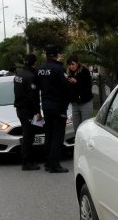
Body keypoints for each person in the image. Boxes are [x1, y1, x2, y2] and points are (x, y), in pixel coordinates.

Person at [36, 44, 70, 173]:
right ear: (57, 55)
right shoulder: (58, 68)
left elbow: (39, 86)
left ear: (46, 55)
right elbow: (66, 87)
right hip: (58, 106)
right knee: (58, 135)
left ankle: (48, 163)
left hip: (46, 105)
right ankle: (55, 164)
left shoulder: (40, 69)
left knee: (49, 134)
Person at [13, 54, 43, 171]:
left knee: (29, 135)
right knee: (28, 136)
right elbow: (33, 96)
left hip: (20, 109)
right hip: (27, 110)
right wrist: (37, 112)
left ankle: (29, 160)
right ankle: (26, 163)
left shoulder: (19, 75)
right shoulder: (30, 76)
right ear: (34, 63)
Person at [66, 55, 93, 131]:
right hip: (75, 103)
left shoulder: (84, 71)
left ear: (77, 63)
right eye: (69, 65)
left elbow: (87, 87)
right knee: (76, 127)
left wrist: (76, 82)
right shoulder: (69, 73)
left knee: (85, 126)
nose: (71, 66)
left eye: (73, 64)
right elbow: (69, 89)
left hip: (85, 102)